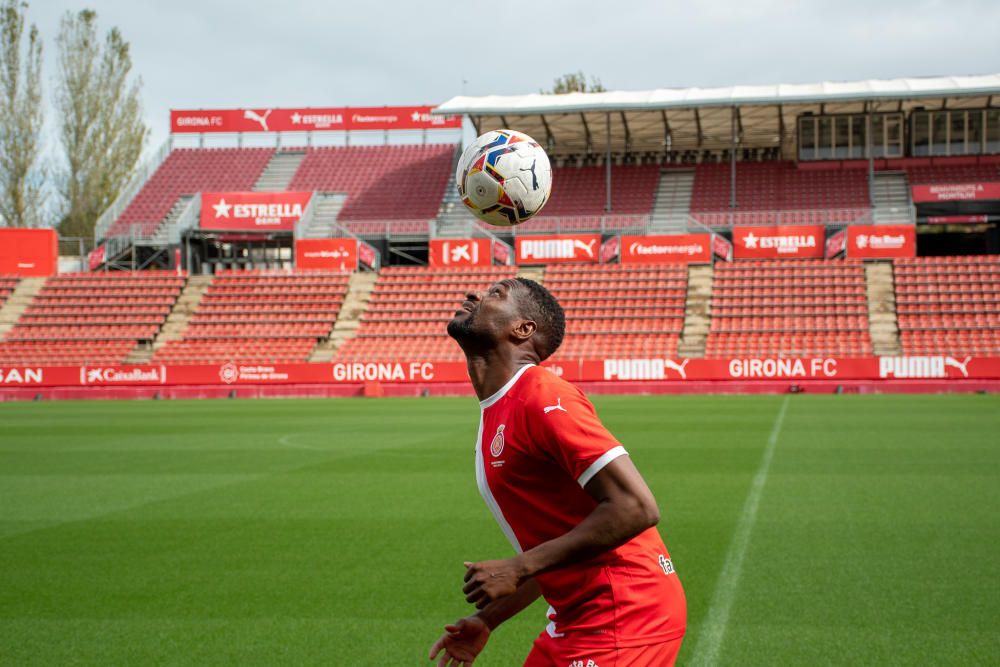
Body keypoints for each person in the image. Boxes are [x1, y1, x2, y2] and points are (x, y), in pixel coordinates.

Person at [429, 277, 686, 667]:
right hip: (577, 617)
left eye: (494, 295)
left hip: (625, 615)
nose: (473, 296)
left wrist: (517, 566)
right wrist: (487, 619)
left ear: (523, 329)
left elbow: (637, 506)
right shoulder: (502, 406)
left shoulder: (544, 395)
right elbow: (555, 547)